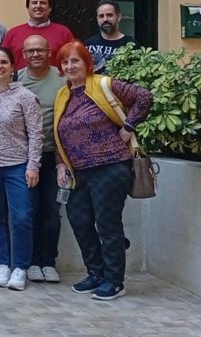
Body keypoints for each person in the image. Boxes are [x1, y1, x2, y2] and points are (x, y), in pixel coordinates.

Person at [54, 40, 152, 301]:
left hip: (110, 167)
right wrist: (60, 163)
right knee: (80, 222)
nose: (70, 66)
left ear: (87, 63)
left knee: (107, 224)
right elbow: (59, 132)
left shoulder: (104, 84)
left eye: (75, 60)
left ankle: (114, 280)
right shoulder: (63, 94)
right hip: (77, 172)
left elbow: (144, 97)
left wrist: (128, 127)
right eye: (65, 62)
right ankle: (95, 273)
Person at [0, 47, 43, 292]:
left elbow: (36, 134)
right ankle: (3, 263)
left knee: (22, 217)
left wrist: (33, 165)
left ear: (12, 67)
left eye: (4, 62)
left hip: (17, 165)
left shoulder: (25, 96)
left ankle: (20, 267)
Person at [17, 34, 65, 284]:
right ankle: (32, 262)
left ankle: (48, 261)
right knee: (29, 210)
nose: (35, 54)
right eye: (30, 51)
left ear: (49, 52)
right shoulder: (17, 79)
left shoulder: (62, 78)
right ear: (23, 55)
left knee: (52, 211)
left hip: (55, 157)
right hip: (25, 157)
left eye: (40, 50)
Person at [1, 0, 75, 68]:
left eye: (43, 3)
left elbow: (74, 59)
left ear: (50, 7)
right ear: (27, 7)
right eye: (34, 2)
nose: (38, 6)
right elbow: (2, 60)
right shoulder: (13, 34)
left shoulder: (64, 33)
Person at [84, 0, 136, 71]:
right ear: (97, 19)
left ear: (118, 17)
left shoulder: (131, 45)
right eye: (101, 16)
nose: (105, 19)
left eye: (109, 15)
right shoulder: (88, 44)